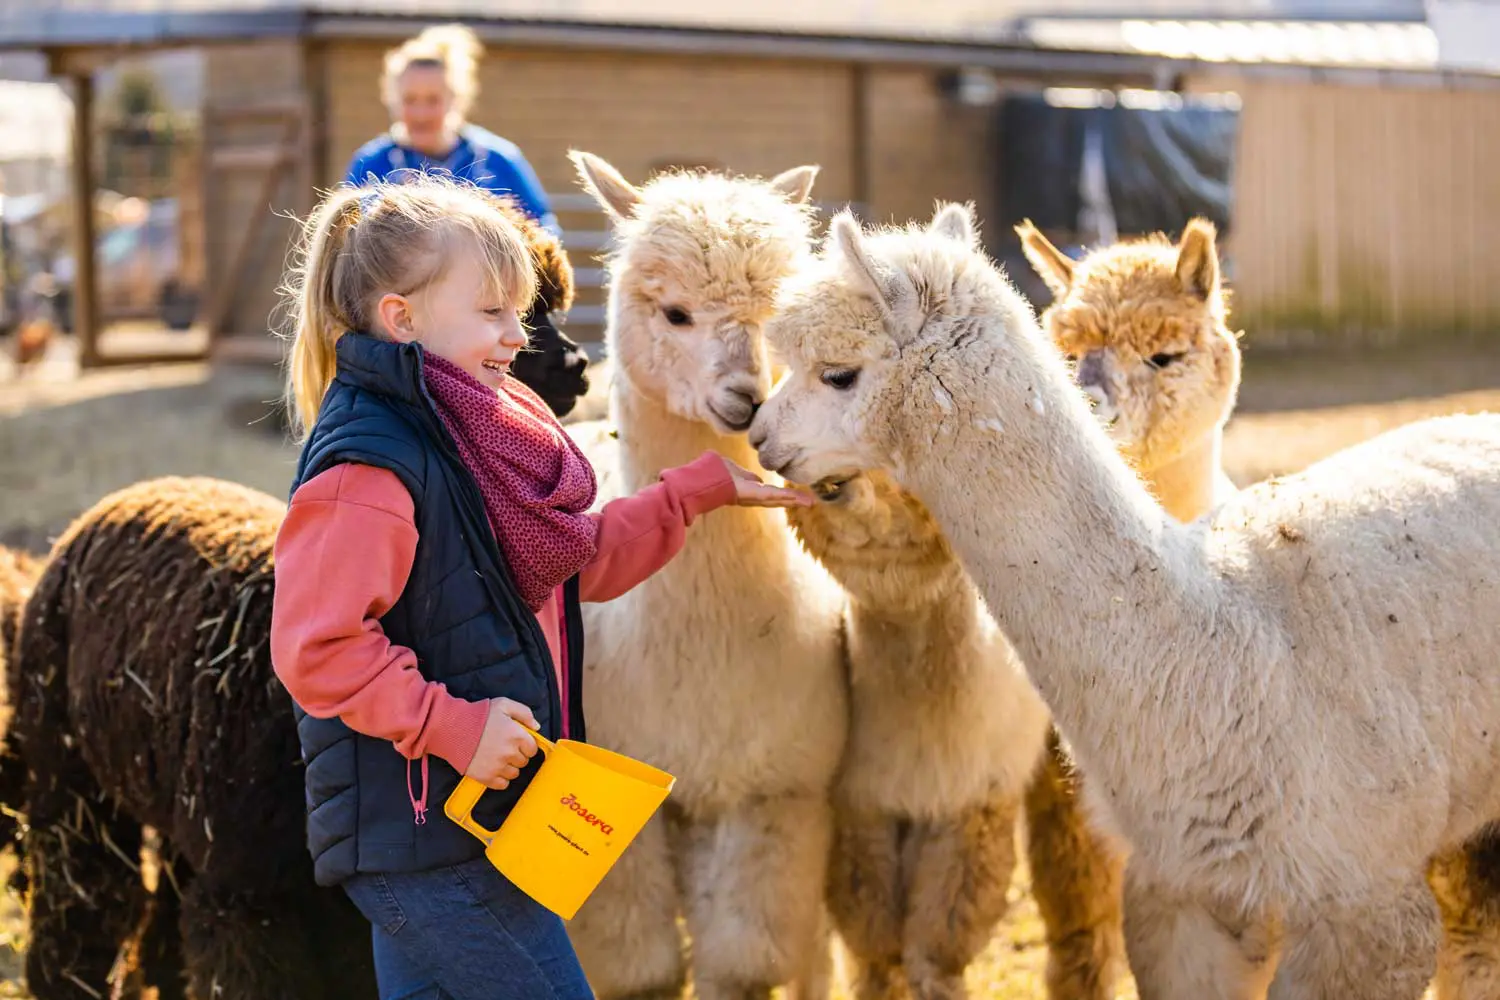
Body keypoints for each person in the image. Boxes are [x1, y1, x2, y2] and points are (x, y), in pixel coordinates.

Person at [268, 174, 810, 1000]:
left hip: (470, 823)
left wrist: (690, 494)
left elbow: (568, 566)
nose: (518, 337)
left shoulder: (470, 434)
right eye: (492, 313)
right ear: (401, 318)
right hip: (424, 833)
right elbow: (318, 647)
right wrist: (453, 726)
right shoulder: (372, 461)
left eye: (516, 313)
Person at [345, 23, 559, 235]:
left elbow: (544, 233)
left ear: (456, 99)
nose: (421, 113)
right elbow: (343, 237)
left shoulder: (497, 161)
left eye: (433, 100)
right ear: (391, 100)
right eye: (409, 100)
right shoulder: (372, 164)